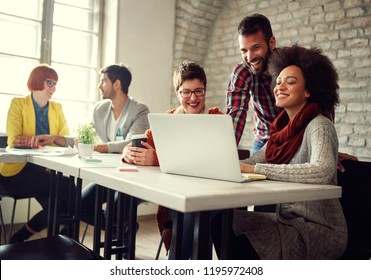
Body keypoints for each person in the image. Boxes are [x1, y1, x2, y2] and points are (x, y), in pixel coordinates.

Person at [211, 45, 348, 259]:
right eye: (278, 81)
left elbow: (322, 170)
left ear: (308, 90)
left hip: (320, 229)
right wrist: (213, 163)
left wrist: (257, 169)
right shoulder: (281, 131)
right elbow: (252, 160)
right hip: (287, 222)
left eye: (290, 82)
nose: (279, 86)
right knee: (220, 219)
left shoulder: (319, 125)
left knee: (232, 231)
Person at [226, 14, 357, 169]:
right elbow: (235, 115)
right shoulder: (242, 72)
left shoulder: (295, 62)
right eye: (244, 51)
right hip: (266, 140)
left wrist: (326, 148)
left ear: (272, 42)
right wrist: (223, 155)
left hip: (300, 137)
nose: (250, 57)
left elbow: (324, 100)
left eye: (256, 48)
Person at [122, 60, 223, 259]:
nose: (193, 98)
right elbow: (141, 141)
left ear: (205, 91)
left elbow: (208, 161)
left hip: (211, 198)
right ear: (177, 93)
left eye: (198, 91)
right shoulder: (167, 119)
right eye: (186, 92)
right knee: (123, 199)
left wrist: (157, 158)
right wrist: (129, 152)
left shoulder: (216, 118)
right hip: (176, 197)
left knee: (192, 211)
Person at [0, 64, 75, 243]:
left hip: (43, 173)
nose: (54, 88)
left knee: (57, 208)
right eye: (50, 82)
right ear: (37, 81)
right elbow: (14, 139)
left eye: (55, 84)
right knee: (67, 188)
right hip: (14, 173)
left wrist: (50, 138)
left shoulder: (57, 108)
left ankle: (19, 238)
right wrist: (36, 140)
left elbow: (66, 139)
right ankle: (68, 236)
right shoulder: (18, 104)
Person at [79, 64, 149, 236]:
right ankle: (123, 228)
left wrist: (98, 147)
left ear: (117, 84)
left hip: (133, 175)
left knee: (116, 207)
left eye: (103, 81)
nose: (99, 86)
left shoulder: (140, 110)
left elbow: (131, 143)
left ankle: (120, 231)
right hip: (109, 174)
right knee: (79, 204)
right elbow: (86, 136)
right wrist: (60, 139)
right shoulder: (99, 108)